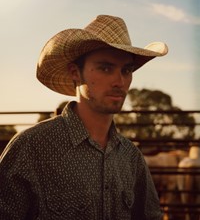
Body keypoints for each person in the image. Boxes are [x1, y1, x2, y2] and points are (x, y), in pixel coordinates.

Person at [0, 15, 168, 220]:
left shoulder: (132, 158)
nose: (120, 81)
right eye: (105, 68)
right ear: (75, 73)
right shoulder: (32, 147)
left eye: (126, 70)